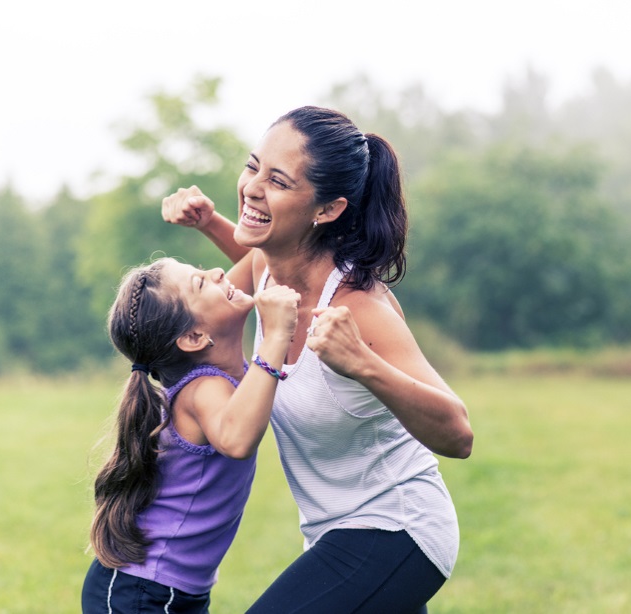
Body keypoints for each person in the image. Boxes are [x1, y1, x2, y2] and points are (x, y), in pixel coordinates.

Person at [161, 105, 474, 613]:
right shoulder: (265, 271)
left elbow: (458, 434)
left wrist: (363, 365)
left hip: (397, 528)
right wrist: (210, 222)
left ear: (326, 210)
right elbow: (226, 292)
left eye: (278, 181)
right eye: (252, 166)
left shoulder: (357, 308)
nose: (253, 186)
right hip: (333, 533)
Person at [81, 256, 300, 613]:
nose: (218, 273)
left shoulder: (219, 373)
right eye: (200, 282)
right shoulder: (203, 389)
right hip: (144, 591)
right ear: (195, 337)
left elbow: (261, 255)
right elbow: (237, 440)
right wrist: (275, 337)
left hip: (164, 588)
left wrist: (209, 220)